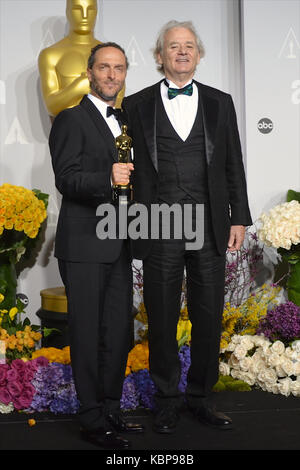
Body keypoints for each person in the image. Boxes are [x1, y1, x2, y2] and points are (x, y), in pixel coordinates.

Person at [122, 20, 252, 433]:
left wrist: (239, 217)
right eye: (173, 46)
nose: (182, 52)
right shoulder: (136, 104)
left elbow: (233, 164)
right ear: (159, 57)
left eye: (189, 46)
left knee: (209, 314)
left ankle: (200, 397)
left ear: (198, 54)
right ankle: (166, 399)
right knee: (160, 316)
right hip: (159, 224)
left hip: (210, 225)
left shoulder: (220, 102)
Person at [49, 42, 143, 449]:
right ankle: (90, 417)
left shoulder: (126, 122)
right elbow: (67, 179)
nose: (111, 75)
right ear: (89, 72)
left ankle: (110, 408)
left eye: (118, 68)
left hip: (119, 243)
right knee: (87, 333)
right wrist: (108, 176)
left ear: (125, 74)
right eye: (104, 68)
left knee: (118, 332)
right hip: (85, 244)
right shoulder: (71, 119)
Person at [39, 0, 124, 118]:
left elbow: (118, 103)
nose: (85, 15)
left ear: (96, 13)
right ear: (67, 12)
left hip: (105, 131)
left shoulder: (111, 54)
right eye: (78, 9)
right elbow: (51, 106)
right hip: (67, 131)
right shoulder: (51, 55)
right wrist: (79, 86)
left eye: (90, 9)